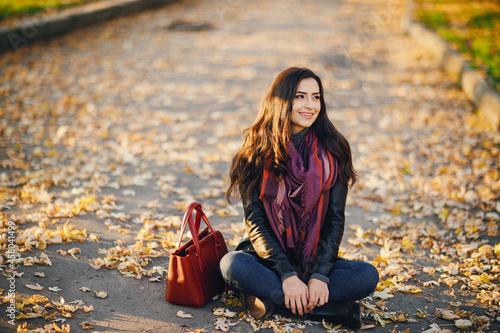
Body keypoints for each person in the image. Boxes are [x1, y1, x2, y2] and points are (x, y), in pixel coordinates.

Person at [219, 67, 379, 330]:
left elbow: (334, 222)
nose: (310, 105)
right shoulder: (256, 152)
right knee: (232, 265)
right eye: (300, 96)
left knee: (366, 276)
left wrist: (318, 276)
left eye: (316, 97)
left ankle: (271, 302)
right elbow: (256, 224)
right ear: (282, 101)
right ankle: (331, 311)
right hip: (269, 260)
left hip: (314, 260)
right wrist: (287, 276)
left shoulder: (334, 150)